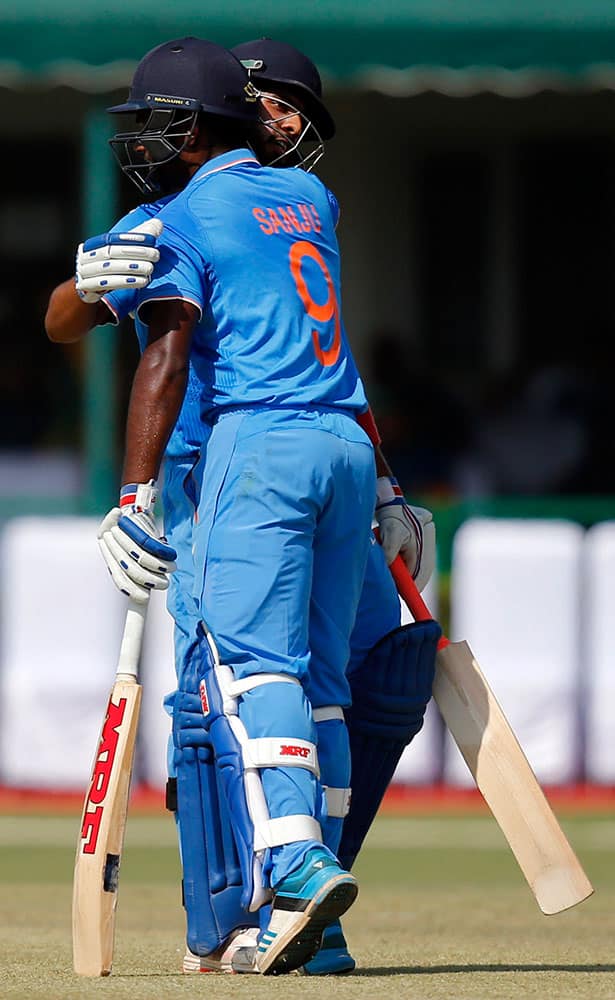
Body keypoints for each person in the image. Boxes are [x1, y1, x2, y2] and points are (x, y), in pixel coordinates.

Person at [45, 37, 439, 976]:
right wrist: (384, 482)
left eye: (153, 124)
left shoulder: (179, 218)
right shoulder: (312, 203)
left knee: (234, 682)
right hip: (338, 446)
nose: (140, 141)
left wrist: (134, 495)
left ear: (190, 125)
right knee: (323, 689)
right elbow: (68, 311)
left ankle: (290, 877)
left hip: (237, 463)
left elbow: (163, 352)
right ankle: (301, 924)